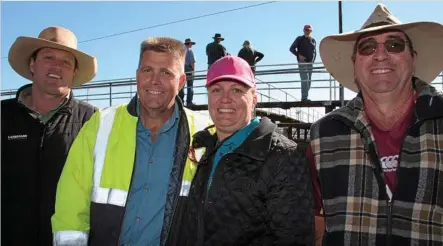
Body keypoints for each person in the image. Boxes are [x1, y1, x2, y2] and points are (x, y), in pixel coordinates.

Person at [51, 37, 212, 246]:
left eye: (166, 72)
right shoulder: (100, 124)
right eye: (147, 70)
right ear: (137, 76)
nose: (154, 80)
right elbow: (71, 200)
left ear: (181, 82)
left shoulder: (204, 132)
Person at [308, 4, 443, 245]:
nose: (380, 55)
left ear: (413, 59)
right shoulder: (322, 135)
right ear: (355, 65)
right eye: (367, 47)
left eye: (394, 45)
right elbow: (317, 227)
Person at [181, 56, 315, 245]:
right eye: (216, 90)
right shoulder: (206, 147)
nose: (225, 99)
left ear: (254, 99)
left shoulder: (283, 155)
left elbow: (294, 238)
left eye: (236, 90)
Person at [1, 26, 97, 246]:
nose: (56, 66)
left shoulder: (93, 121)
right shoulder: (3, 116)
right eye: (48, 57)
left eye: (66, 62)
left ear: (74, 72)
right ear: (32, 64)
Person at [290, 24, 317, 101]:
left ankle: (305, 95)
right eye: (306, 30)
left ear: (311, 31)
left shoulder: (313, 40)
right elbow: (291, 48)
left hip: (310, 63)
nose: (307, 31)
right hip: (302, 63)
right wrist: (299, 56)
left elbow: (315, 52)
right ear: (303, 30)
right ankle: (304, 97)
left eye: (309, 30)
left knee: (309, 80)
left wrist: (313, 61)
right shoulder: (299, 39)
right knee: (305, 78)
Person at [179, 38, 196, 106]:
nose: (191, 45)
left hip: (181, 68)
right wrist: (193, 70)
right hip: (188, 68)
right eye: (191, 44)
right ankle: (189, 102)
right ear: (189, 44)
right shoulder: (190, 51)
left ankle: (181, 101)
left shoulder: (180, 51)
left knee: (181, 86)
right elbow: (192, 62)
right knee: (190, 85)